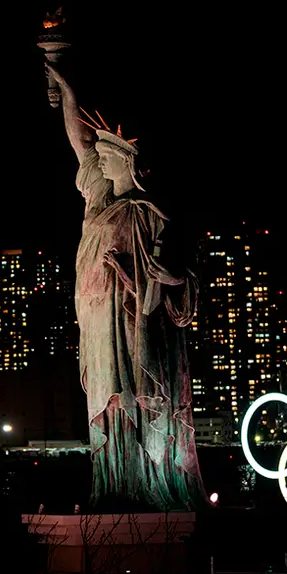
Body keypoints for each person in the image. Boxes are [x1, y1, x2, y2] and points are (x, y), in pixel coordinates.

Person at [45, 62, 206, 511]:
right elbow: (78, 141)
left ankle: (143, 481)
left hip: (133, 317)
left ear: (125, 161)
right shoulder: (99, 197)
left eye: (106, 153)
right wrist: (64, 85)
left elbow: (180, 277)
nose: (98, 156)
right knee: (105, 396)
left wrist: (168, 280)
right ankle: (113, 481)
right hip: (97, 318)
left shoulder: (149, 212)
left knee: (132, 390)